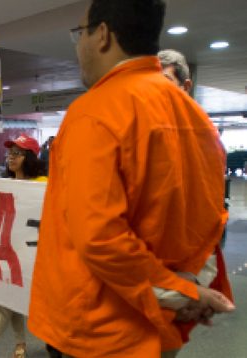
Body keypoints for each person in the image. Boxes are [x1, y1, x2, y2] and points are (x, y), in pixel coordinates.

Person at [28, 2, 235, 358]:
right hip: (163, 323)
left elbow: (98, 238)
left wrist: (177, 292)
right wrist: (188, 291)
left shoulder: (94, 112)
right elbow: (210, 222)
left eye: (80, 33)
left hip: (102, 328)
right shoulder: (198, 119)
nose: (78, 46)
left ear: (103, 35)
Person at [0, 135, 46, 358]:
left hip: (32, 254)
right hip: (8, 250)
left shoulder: (43, 184)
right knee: (10, 298)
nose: (11, 157)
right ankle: (20, 345)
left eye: (18, 153)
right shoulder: (6, 184)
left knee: (6, 299)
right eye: (10, 152)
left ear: (30, 157)